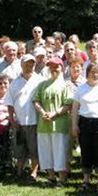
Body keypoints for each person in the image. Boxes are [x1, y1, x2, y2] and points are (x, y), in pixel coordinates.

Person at [71, 62, 98, 191]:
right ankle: (86, 179)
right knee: (86, 151)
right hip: (84, 123)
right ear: (87, 74)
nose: (95, 75)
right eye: (92, 72)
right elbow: (75, 109)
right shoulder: (80, 89)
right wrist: (74, 125)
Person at [33, 57, 72, 187]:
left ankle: (61, 178)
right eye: (51, 66)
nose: (54, 69)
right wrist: (43, 113)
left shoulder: (65, 85)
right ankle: (51, 177)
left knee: (59, 151)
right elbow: (36, 100)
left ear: (61, 68)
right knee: (45, 151)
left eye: (56, 66)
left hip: (59, 124)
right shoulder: (43, 84)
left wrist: (55, 113)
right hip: (44, 124)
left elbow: (68, 104)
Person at [5, 54, 42, 181]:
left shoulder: (40, 80)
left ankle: (34, 172)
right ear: (21, 65)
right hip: (19, 122)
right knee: (19, 149)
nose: (29, 66)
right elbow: (9, 102)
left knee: (34, 149)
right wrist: (11, 119)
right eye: (26, 64)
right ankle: (19, 171)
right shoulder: (15, 82)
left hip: (34, 120)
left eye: (31, 64)